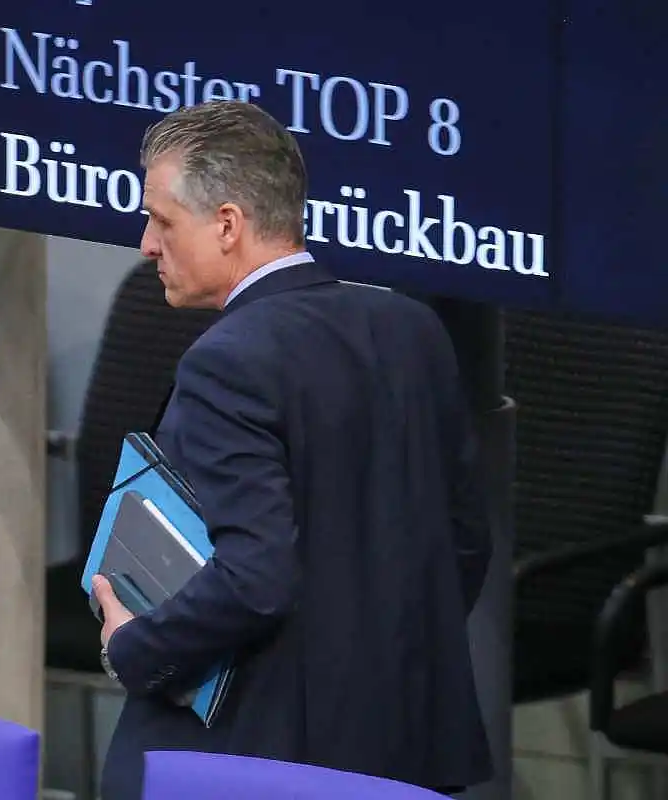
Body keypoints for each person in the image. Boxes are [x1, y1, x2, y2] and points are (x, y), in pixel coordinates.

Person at [90, 100, 493, 800]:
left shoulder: (228, 361)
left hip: (265, 758)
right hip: (407, 744)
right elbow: (465, 543)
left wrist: (135, 648)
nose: (147, 244)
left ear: (227, 225)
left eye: (161, 220)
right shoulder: (412, 330)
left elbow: (256, 578)